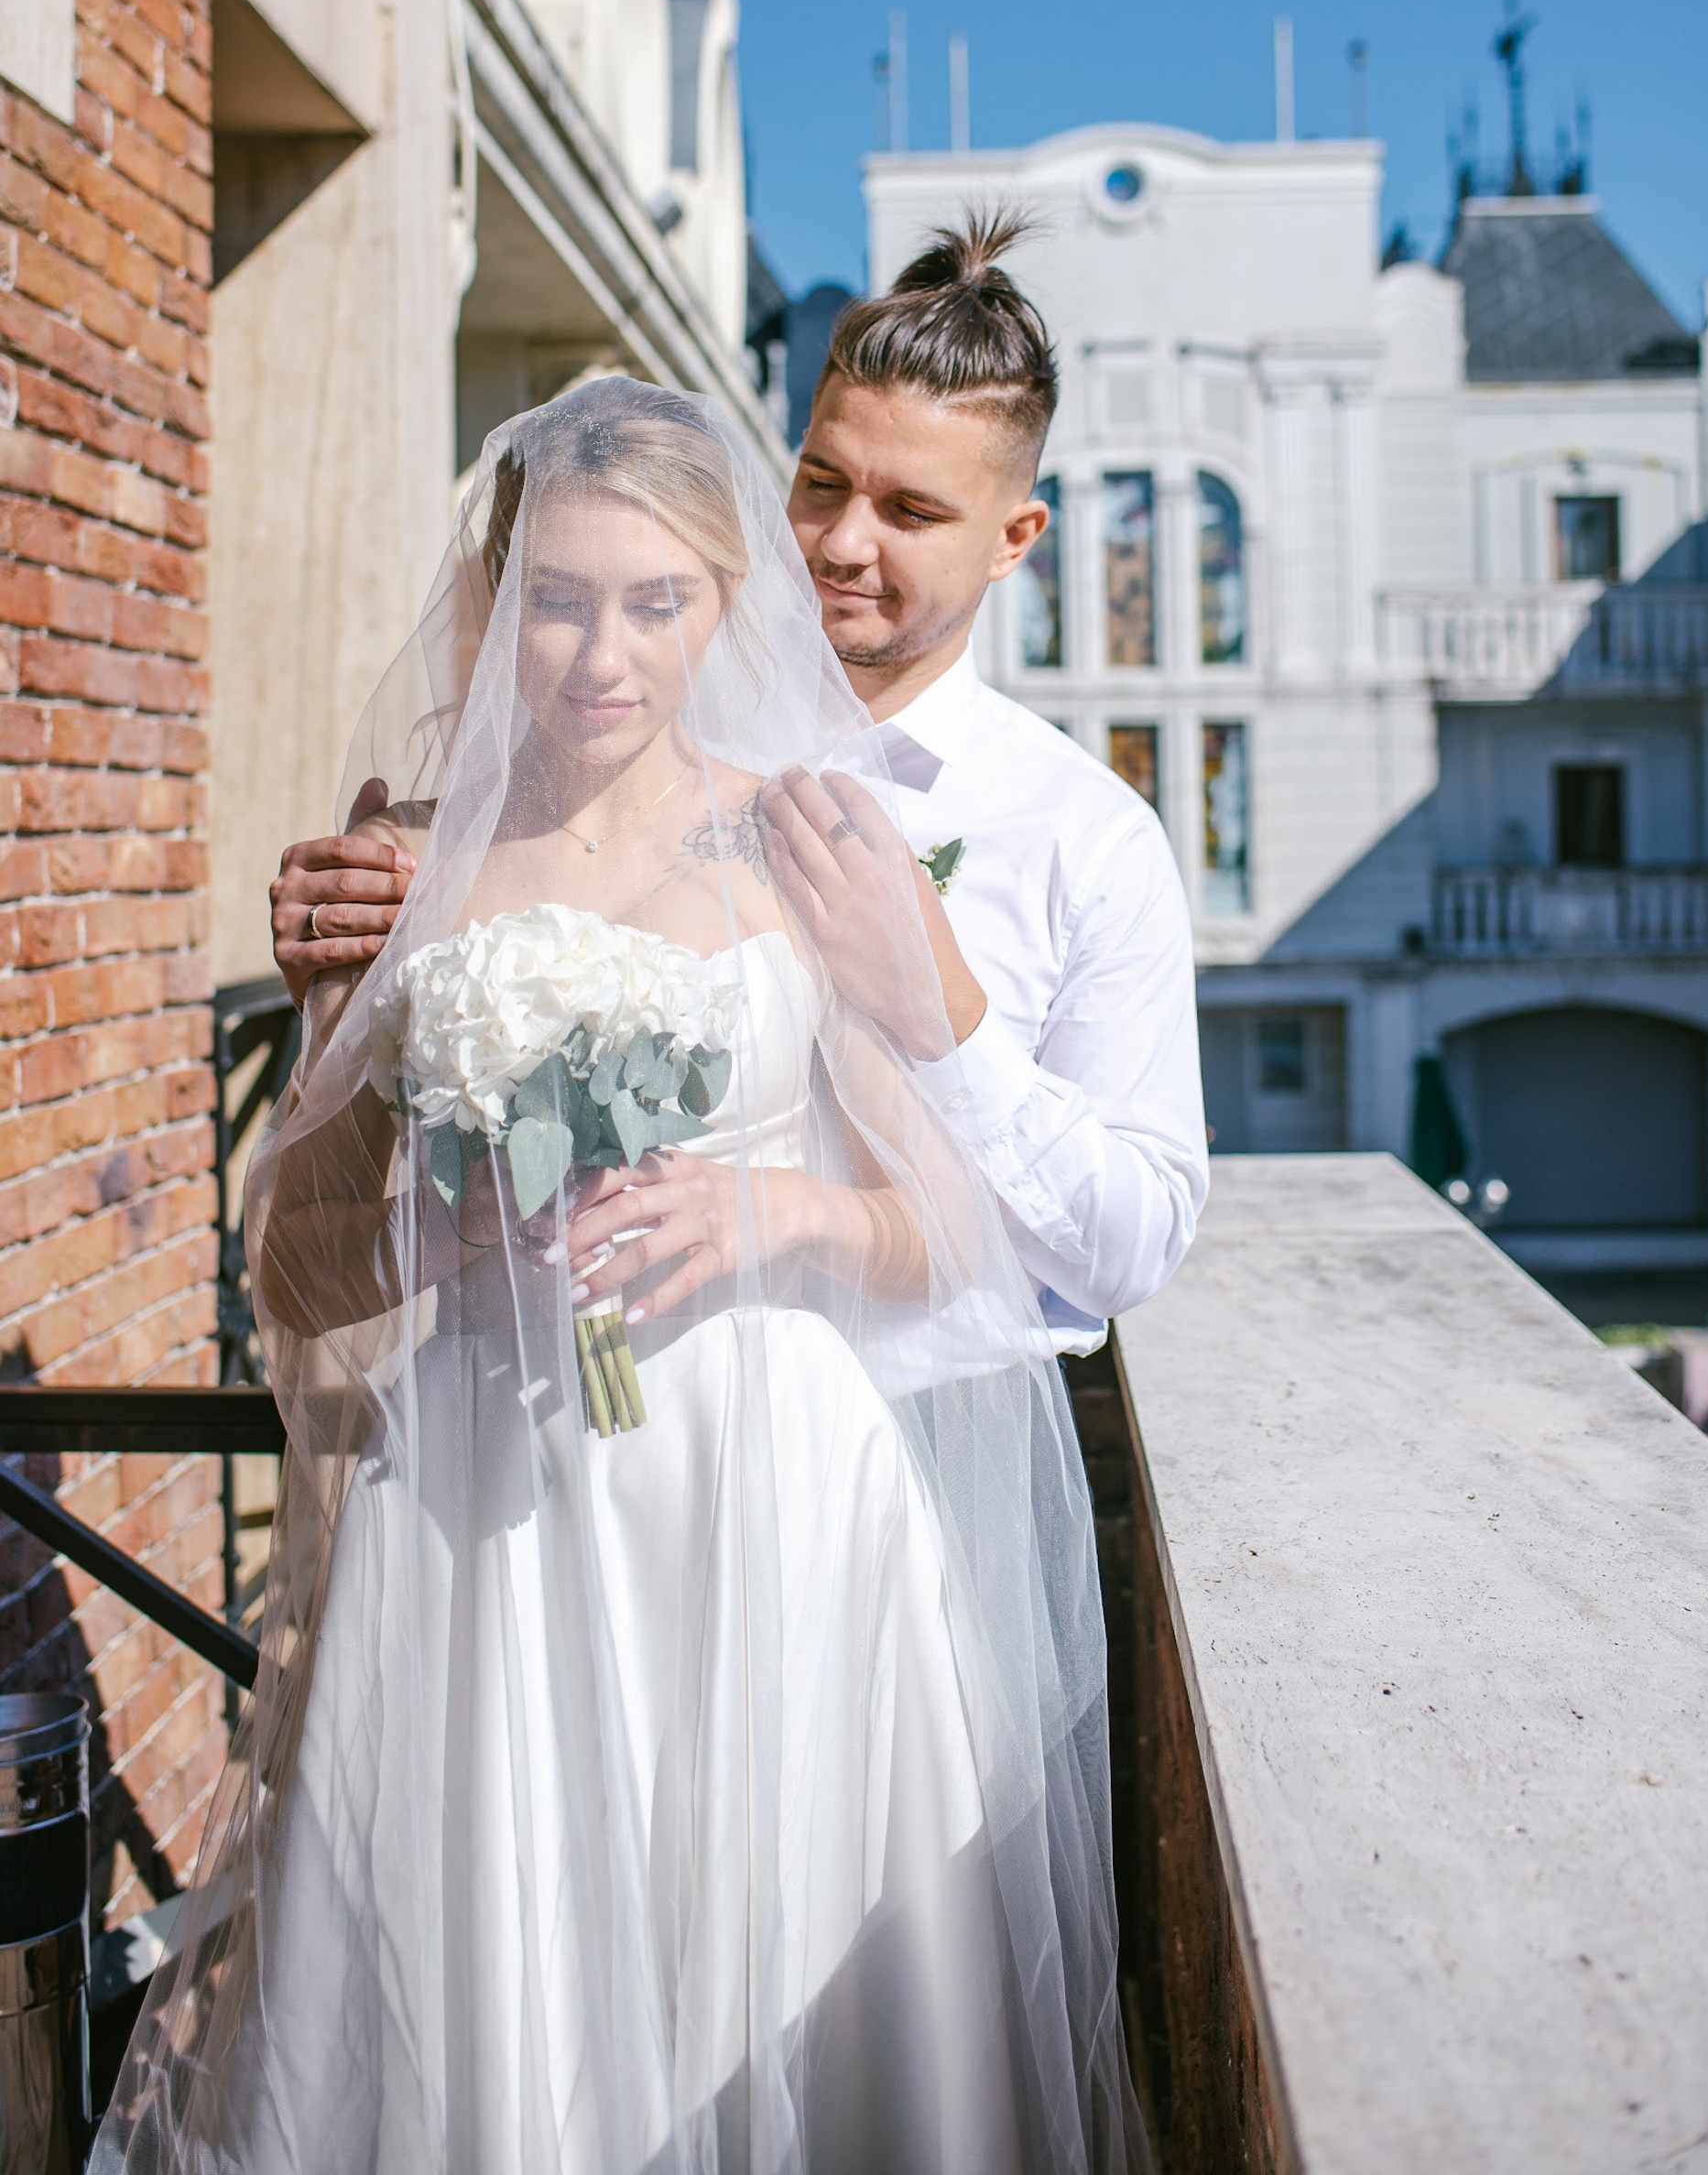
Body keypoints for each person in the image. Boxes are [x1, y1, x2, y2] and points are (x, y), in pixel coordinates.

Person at [96, 381, 1148, 2173]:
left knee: (789, 2005)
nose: (601, 654)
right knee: (498, 2014)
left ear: (725, 603)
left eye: (654, 604)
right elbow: (295, 1255)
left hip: (771, 1513)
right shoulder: (396, 856)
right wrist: (455, 1230)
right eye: (560, 599)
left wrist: (768, 1225)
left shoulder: (807, 841)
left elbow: (950, 1222)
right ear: (495, 598)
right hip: (483, 1528)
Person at [273, 212, 1207, 1349]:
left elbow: (1132, 1250)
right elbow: (312, 1234)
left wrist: (941, 1011)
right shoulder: (614, 708)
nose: (843, 543)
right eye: (822, 483)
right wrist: (372, 969)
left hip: (891, 1446)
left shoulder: (1086, 835)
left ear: (1015, 538)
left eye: (911, 511)